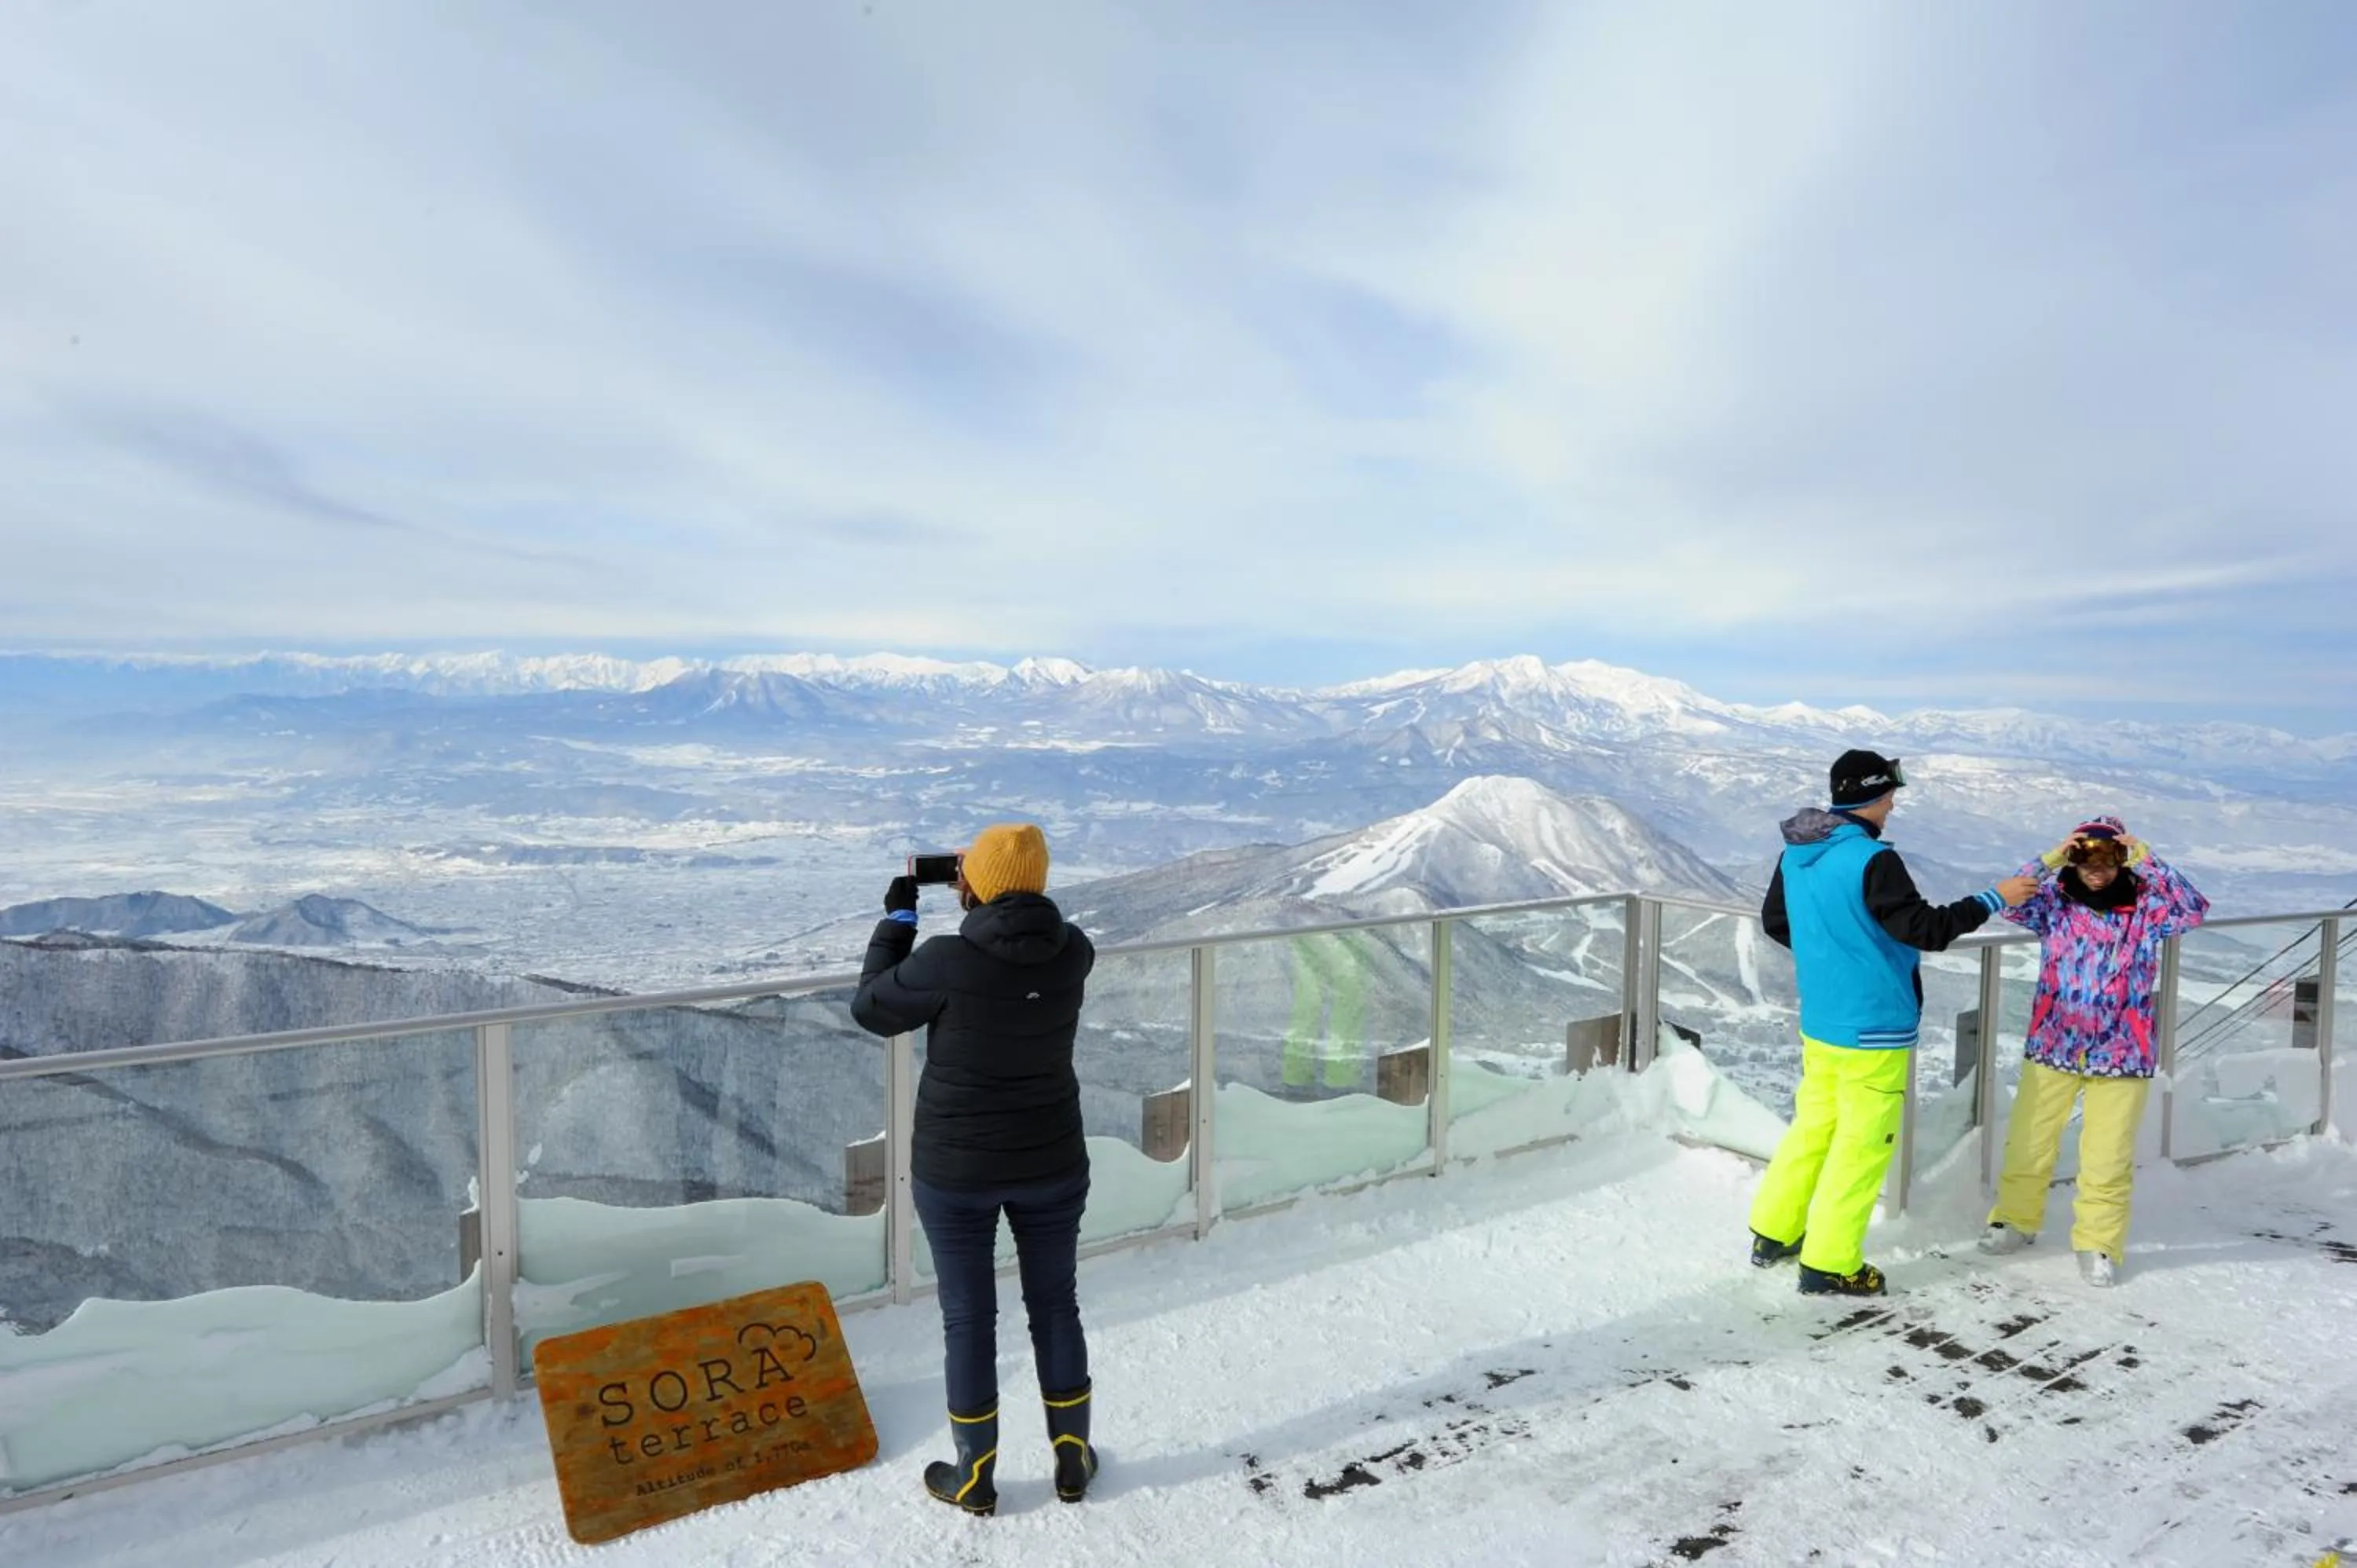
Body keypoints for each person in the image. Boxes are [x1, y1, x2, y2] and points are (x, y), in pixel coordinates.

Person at [850, 822, 1098, 1516]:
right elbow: (1022, 942)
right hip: (1052, 1156)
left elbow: (871, 1009)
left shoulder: (944, 961)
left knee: (970, 1317)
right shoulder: (1075, 952)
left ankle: (974, 1476)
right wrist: (986, 886)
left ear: (974, 884)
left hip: (957, 1171)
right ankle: (1072, 1460)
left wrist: (897, 921)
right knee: (1055, 1304)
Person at [1749, 749, 2040, 1296]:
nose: (1892, 808)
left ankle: (1774, 1233)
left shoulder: (1798, 854)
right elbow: (1926, 929)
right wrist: (1995, 897)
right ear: (1874, 795)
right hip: (1874, 1026)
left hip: (1822, 1020)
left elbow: (1776, 922)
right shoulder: (1872, 860)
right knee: (1861, 1146)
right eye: (1890, 797)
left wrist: (1833, 957)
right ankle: (1831, 1264)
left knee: (1814, 1128)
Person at [1978, 817, 2209, 1287]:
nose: (2097, 870)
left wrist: (2147, 857)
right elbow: (2012, 901)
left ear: (2122, 860)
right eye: (2086, 858)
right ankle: (2015, 1220)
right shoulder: (2054, 904)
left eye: (2109, 859)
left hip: (2124, 1051)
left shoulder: (2145, 907)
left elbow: (2194, 909)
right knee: (2029, 1141)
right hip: (2054, 1042)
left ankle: (2098, 1242)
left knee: (2108, 1153)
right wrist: (2050, 859)